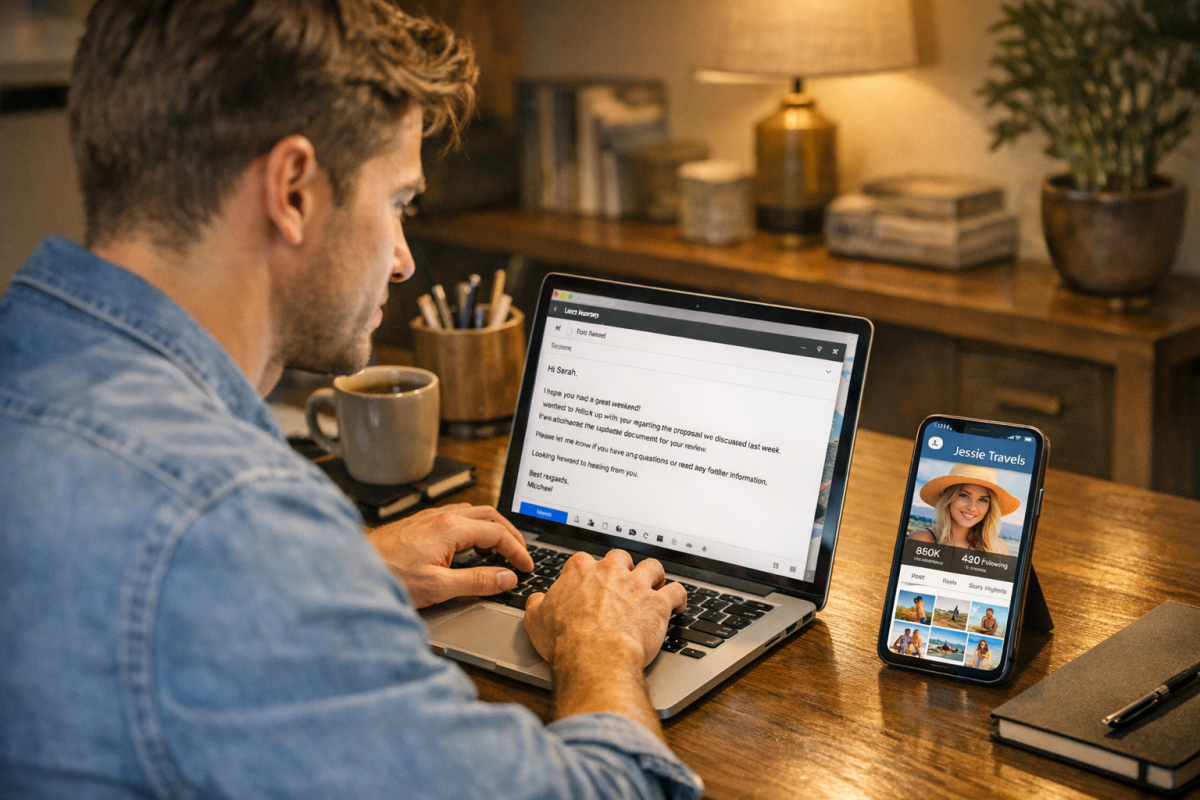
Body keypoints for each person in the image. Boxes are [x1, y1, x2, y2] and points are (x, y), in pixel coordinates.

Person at [0, 2, 702, 797]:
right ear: (294, 190)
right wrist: (599, 647)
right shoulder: (230, 521)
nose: (403, 260)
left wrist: (342, 574)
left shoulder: (27, 359)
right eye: (399, 201)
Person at [909, 462, 1019, 555]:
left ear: (990, 507)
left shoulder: (998, 548)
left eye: (983, 500)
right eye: (964, 495)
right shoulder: (922, 540)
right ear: (949, 498)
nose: (972, 507)